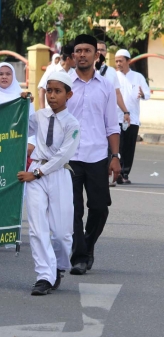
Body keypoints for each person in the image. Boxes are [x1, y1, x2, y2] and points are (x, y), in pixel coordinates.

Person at [18, 72, 79, 295]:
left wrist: (37, 172)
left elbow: (63, 156)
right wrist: (22, 104)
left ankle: (59, 267)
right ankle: (44, 275)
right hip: (35, 174)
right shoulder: (39, 116)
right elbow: (20, 127)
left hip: (57, 174)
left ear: (68, 95)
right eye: (49, 90)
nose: (52, 96)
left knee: (62, 233)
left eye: (57, 91)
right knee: (37, 229)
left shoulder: (72, 124)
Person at [68, 34, 120, 275]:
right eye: (78, 50)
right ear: (73, 55)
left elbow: (112, 125)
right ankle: (79, 257)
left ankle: (87, 247)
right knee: (73, 210)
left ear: (96, 55)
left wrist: (116, 156)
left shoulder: (106, 86)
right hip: (68, 159)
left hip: (98, 155)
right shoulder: (64, 83)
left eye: (87, 50)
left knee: (100, 208)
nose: (82, 54)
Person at [114, 49, 151, 185]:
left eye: (121, 61)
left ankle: (124, 173)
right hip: (116, 118)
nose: (118, 64)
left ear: (128, 61)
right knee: (118, 147)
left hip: (133, 118)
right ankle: (115, 172)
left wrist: (142, 94)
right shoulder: (113, 76)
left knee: (129, 148)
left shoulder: (138, 77)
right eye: (116, 61)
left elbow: (147, 93)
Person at [96, 41, 131, 175]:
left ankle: (107, 174)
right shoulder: (85, 69)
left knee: (111, 146)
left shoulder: (111, 72)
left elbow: (117, 93)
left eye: (103, 50)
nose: (100, 52)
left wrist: (125, 111)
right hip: (92, 115)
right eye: (97, 49)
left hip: (108, 115)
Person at [38, 45, 76, 109]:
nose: (77, 60)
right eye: (74, 58)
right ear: (68, 59)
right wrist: (42, 111)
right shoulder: (52, 70)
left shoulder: (74, 73)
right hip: (50, 111)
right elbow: (42, 89)